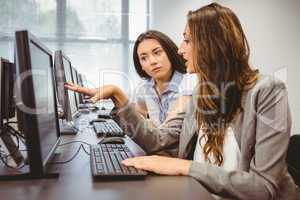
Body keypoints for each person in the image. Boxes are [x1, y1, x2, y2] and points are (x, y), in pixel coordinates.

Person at [117, 3, 296, 200]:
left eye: (187, 41)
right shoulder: (199, 94)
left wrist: (184, 167)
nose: (180, 50)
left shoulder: (268, 91)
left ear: (212, 44)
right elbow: (158, 140)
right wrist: (118, 97)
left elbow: (262, 188)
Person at [65, 30, 187, 126]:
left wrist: (115, 92)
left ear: (170, 53)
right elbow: (137, 122)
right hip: (159, 153)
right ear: (141, 66)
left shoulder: (186, 86)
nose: (152, 61)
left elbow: (165, 139)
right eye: (144, 58)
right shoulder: (146, 88)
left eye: (157, 53)